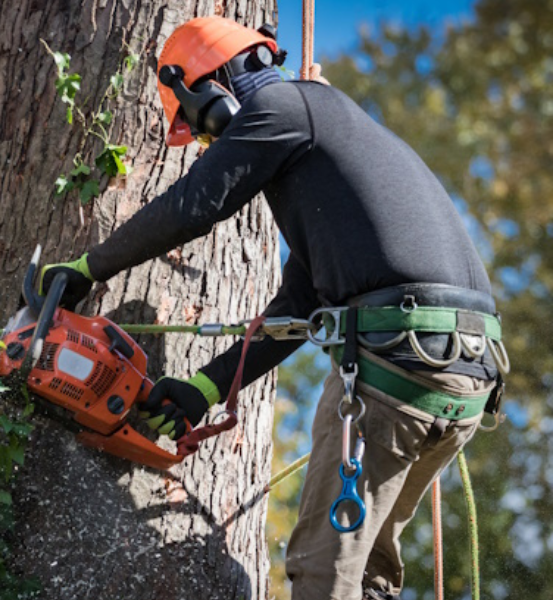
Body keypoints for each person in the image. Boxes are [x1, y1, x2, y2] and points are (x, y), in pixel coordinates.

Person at [39, 16, 506, 600]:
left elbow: (196, 203)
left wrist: (87, 270)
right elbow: (299, 308)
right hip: (463, 374)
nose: (211, 146)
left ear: (209, 94)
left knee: (320, 574)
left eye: (201, 132)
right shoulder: (331, 148)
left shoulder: (285, 108)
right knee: (368, 580)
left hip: (396, 366)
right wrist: (203, 390)